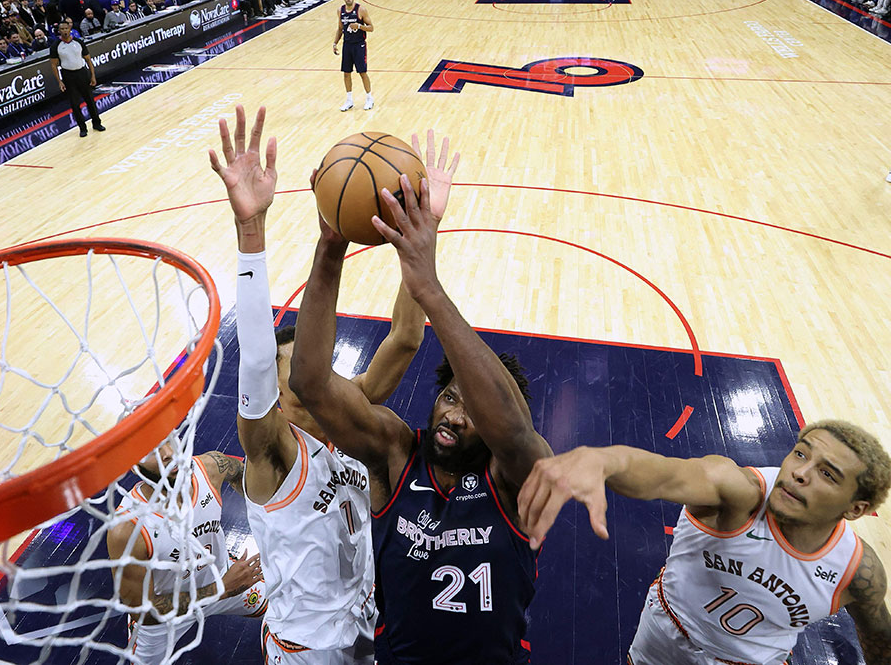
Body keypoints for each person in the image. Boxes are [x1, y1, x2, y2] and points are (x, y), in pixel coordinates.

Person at [290, 140, 552, 664]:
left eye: (475, 413)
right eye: (451, 398)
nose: (456, 414)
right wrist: (331, 245)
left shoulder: (519, 479)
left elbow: (516, 433)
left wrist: (428, 287)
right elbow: (312, 384)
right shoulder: (395, 452)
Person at [207, 104, 430, 663]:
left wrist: (421, 241)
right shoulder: (273, 455)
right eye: (295, 373)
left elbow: (405, 338)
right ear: (276, 398)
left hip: (368, 634)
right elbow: (256, 363)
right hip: (305, 651)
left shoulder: (345, 415)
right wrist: (251, 230)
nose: (313, 376)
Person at [517, 420, 891, 665]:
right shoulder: (740, 495)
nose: (799, 473)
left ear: (856, 509)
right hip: (665, 637)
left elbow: (879, 638)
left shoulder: (857, 571)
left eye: (827, 473)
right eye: (800, 453)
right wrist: (604, 460)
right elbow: (668, 475)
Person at [107, 442, 268, 662]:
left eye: (169, 440)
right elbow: (143, 612)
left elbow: (242, 473)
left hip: (223, 576)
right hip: (166, 618)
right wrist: (220, 590)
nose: (169, 454)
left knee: (284, 600)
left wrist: (265, 510)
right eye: (152, 451)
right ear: (132, 465)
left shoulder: (211, 468)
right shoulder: (126, 529)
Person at [49, 21, 104, 137]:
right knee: (75, 104)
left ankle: (96, 123)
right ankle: (82, 128)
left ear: (70, 29)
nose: (64, 31)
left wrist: (93, 75)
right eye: (62, 29)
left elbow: (88, 60)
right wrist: (59, 81)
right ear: (59, 31)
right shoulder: (56, 46)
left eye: (66, 28)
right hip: (68, 76)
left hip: (82, 73)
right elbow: (53, 65)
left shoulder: (79, 42)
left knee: (90, 100)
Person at [332, 0, 373, 112]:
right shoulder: (340, 10)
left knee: (362, 72)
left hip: (359, 45)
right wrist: (335, 43)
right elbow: (340, 28)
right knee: (346, 73)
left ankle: (369, 98)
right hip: (347, 45)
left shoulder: (361, 9)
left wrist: (359, 26)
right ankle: (349, 100)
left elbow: (371, 28)